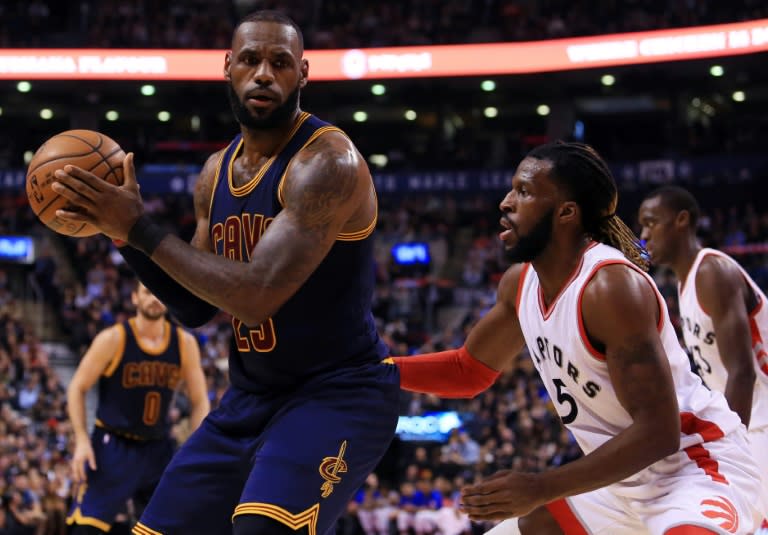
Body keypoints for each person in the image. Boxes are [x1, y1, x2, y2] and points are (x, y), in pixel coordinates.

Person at [51, 10, 401, 535]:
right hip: (250, 397)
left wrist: (139, 226)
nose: (264, 74)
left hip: (337, 392)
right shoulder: (215, 173)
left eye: (281, 63)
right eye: (251, 60)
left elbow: (257, 296)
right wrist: (120, 233)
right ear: (227, 67)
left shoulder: (328, 162)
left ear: (303, 75)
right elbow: (195, 307)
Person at [391, 142, 764, 534]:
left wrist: (540, 487)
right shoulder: (520, 284)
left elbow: (659, 432)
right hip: (617, 486)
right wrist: (380, 371)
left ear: (566, 212)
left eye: (524, 191)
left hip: (693, 468)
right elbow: (468, 371)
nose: (505, 202)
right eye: (510, 189)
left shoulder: (609, 287)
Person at [638, 185, 768, 529]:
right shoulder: (685, 285)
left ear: (682, 220)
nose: (644, 234)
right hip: (753, 420)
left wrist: (730, 446)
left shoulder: (711, 271)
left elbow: (742, 371)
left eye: (652, 222)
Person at [65, 281, 209, 534]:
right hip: (113, 446)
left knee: (167, 525)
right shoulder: (114, 338)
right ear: (134, 298)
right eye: (147, 292)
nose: (154, 298)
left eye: (159, 292)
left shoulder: (184, 343)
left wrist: (196, 447)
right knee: (86, 527)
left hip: (158, 447)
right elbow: (76, 387)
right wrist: (81, 440)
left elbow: (199, 401)